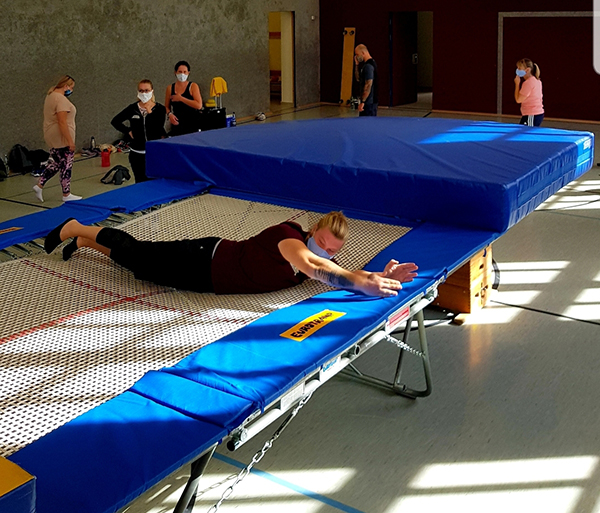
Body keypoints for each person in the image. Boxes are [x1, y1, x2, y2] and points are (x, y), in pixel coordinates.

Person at [44, 211, 418, 298]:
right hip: (205, 258)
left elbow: (336, 267)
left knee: (138, 268)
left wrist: (375, 275)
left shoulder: (322, 254)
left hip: (208, 281)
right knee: (138, 253)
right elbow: (316, 266)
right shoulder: (290, 240)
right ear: (313, 231)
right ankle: (76, 227)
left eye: (334, 250)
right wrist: (361, 283)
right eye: (323, 241)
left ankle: (86, 244)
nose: (327, 251)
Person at [33, 75, 82, 203]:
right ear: (66, 86)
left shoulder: (50, 96)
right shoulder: (61, 99)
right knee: (67, 165)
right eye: (71, 87)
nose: (71, 90)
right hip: (61, 137)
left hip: (50, 135)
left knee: (56, 163)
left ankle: (39, 185)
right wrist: (70, 141)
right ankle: (66, 194)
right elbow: (62, 122)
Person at [111, 79, 167, 183]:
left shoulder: (160, 109)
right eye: (141, 91)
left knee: (155, 181)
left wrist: (150, 112)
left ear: (152, 91)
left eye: (146, 90)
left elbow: (159, 127)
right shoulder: (132, 108)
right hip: (137, 153)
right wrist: (128, 131)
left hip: (153, 152)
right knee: (140, 181)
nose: (144, 93)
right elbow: (115, 121)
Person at [165, 61, 203, 136]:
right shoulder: (170, 88)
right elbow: (166, 106)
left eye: (185, 72)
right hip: (177, 123)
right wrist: (170, 114)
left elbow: (198, 105)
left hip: (192, 123)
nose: (182, 74)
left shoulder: (193, 86)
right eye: (180, 72)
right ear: (175, 72)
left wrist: (181, 98)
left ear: (188, 73)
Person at [514, 58, 544, 126]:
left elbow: (518, 99)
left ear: (527, 70)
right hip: (534, 114)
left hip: (532, 114)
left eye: (519, 68)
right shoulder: (536, 80)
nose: (517, 70)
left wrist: (517, 84)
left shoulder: (529, 83)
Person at [354, 44, 379, 117]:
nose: (356, 57)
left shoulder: (369, 66)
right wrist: (356, 65)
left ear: (363, 53)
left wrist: (363, 102)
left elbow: (368, 84)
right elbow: (358, 79)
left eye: (357, 54)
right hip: (368, 102)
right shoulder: (365, 66)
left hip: (369, 103)